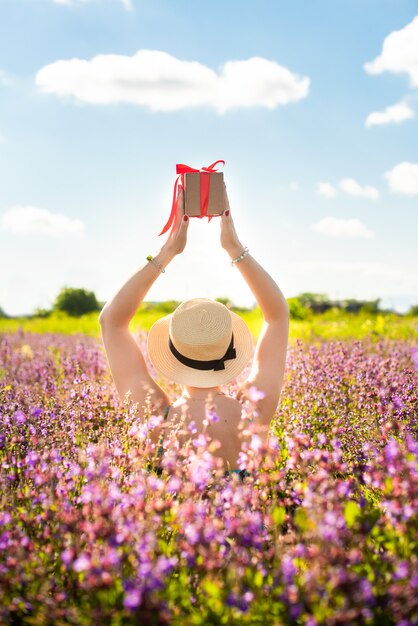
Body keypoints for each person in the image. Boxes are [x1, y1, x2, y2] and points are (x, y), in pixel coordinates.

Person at [99, 183, 289, 476]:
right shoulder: (254, 410)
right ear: (231, 348)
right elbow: (277, 316)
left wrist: (168, 251)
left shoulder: (156, 416)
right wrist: (234, 248)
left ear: (172, 353)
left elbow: (111, 321)